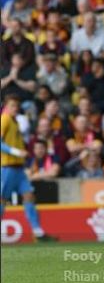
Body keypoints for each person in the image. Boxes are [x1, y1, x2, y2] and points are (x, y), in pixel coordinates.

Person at [1, 94, 55, 242]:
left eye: (17, 106)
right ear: (5, 106)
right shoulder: (4, 119)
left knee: (29, 196)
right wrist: (16, 152)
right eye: (12, 105)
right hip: (7, 167)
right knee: (2, 200)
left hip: (18, 168)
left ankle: (38, 232)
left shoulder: (15, 121)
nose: (15, 108)